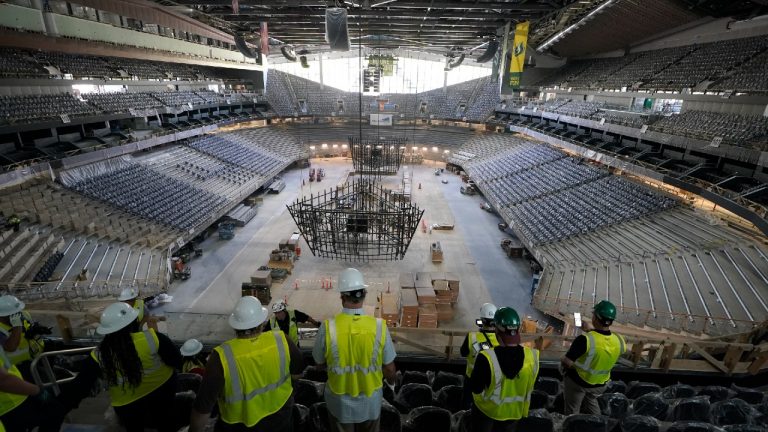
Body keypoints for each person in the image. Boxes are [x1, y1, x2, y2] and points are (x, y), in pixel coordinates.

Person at [190, 296, 303, 432]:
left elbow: (203, 408)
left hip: (239, 425)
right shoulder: (282, 340)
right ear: (261, 322)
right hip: (281, 418)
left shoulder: (221, 357)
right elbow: (297, 374)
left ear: (236, 326)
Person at [313, 268, 397, 432]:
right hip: (370, 403)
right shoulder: (379, 327)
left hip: (339, 403)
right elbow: (389, 368)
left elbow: (318, 363)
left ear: (342, 297)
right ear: (364, 295)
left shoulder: (328, 327)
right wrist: (392, 384)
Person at [82, 302, 182, 431]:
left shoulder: (98, 355)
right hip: (162, 393)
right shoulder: (153, 338)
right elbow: (177, 361)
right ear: (133, 323)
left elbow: (82, 385)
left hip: (126, 404)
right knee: (166, 423)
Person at [470, 307, 539, 432]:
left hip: (487, 412)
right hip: (514, 413)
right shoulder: (533, 357)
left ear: (497, 331)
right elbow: (532, 384)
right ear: (518, 329)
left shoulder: (486, 357)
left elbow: (476, 388)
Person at [561, 300, 626, 415]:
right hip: (600, 385)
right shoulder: (620, 340)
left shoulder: (584, 340)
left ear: (595, 318)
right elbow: (604, 343)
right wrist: (591, 331)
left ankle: (571, 422)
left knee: (572, 409)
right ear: (610, 322)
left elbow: (567, 362)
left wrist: (563, 360)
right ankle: (598, 422)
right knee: (591, 399)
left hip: (580, 383)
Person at [0, 349, 66, 432]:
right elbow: (3, 380)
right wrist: (38, 391)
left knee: (55, 408)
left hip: (20, 395)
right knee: (55, 410)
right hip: (11, 406)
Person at [459, 303, 499, 407]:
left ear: (482, 321)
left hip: (471, 378)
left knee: (467, 404)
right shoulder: (502, 340)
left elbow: (463, 353)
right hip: (493, 380)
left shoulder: (472, 337)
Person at [0, 295, 45, 378]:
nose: (17, 314)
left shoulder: (23, 314)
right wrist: (17, 326)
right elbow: (10, 347)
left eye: (18, 311)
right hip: (18, 367)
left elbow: (29, 326)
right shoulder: (1, 329)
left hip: (36, 356)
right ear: (2, 316)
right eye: (12, 314)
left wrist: (36, 329)